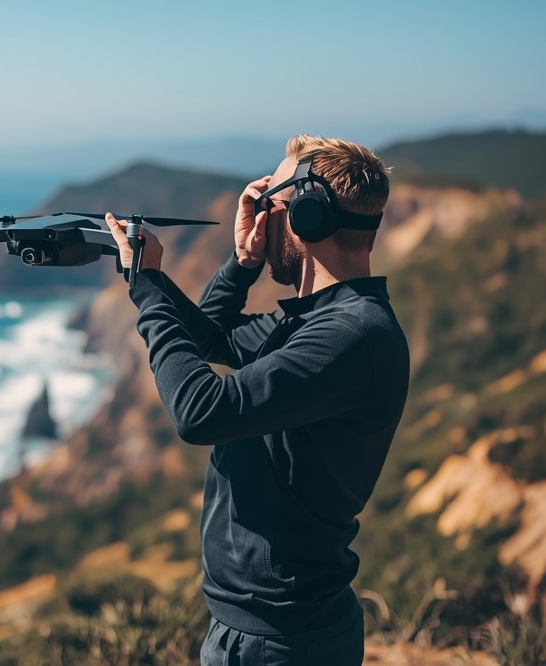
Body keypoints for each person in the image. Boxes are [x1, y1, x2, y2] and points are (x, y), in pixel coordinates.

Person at [105, 134, 409, 666]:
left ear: (308, 217)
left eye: (274, 199)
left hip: (281, 642)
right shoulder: (320, 321)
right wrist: (241, 264)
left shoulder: (350, 337)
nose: (262, 210)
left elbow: (200, 412)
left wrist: (148, 286)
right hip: (266, 630)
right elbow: (210, 339)